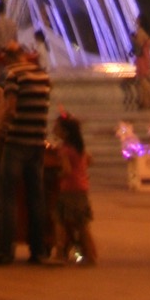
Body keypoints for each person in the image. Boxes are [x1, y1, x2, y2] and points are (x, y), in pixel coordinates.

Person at [0, 43, 51, 266]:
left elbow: (10, 108)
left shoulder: (13, 75)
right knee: (36, 198)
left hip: (16, 142)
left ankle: (6, 250)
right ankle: (38, 250)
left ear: (8, 58)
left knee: (7, 196)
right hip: (36, 143)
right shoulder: (42, 75)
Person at [53, 112, 96, 264]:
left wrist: (58, 175)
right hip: (81, 188)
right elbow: (89, 160)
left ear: (64, 133)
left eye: (56, 128)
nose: (54, 130)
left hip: (69, 189)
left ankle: (59, 252)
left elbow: (67, 170)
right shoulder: (79, 147)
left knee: (60, 220)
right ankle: (90, 255)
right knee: (82, 223)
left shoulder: (64, 150)